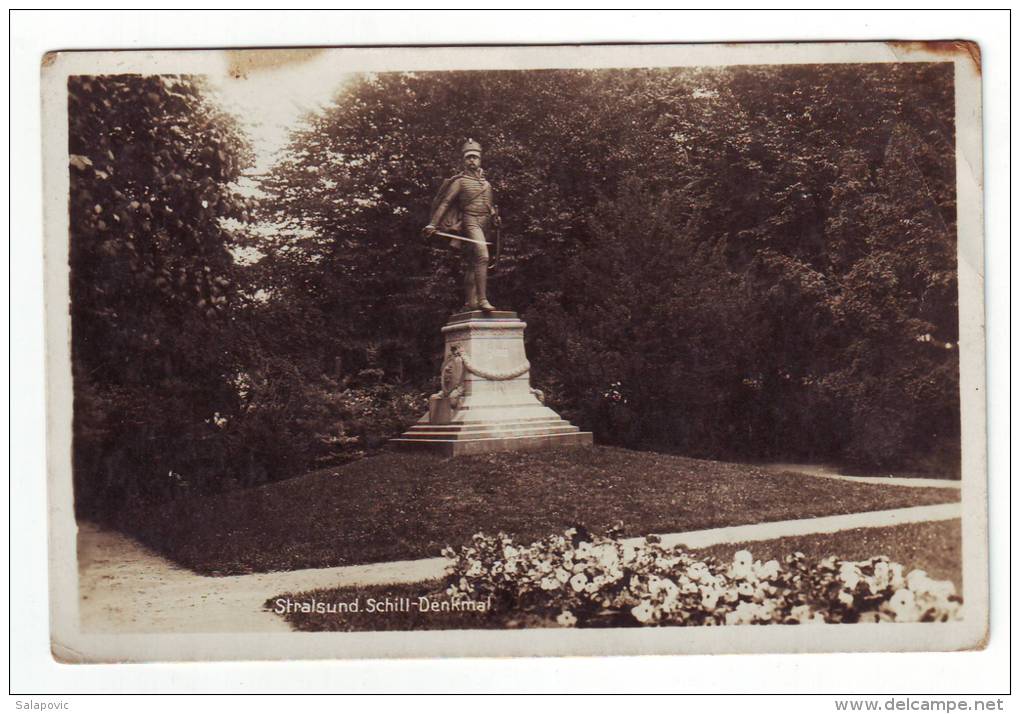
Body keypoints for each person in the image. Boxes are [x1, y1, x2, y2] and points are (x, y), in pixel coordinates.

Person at [423, 139, 500, 311]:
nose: (472, 160)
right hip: (469, 221)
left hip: (485, 223)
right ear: (464, 160)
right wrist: (432, 224)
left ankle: (470, 303)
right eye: (468, 157)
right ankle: (482, 300)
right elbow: (445, 202)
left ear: (480, 160)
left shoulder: (488, 185)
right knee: (483, 256)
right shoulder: (460, 181)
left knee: (473, 263)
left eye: (475, 157)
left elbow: (490, 208)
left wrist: (495, 219)